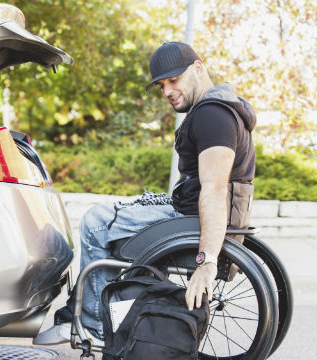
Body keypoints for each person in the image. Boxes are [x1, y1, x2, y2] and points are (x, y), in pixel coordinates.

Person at [34, 41, 256, 345]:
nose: (167, 92)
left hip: (191, 220)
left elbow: (215, 190)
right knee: (117, 214)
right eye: (162, 85)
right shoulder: (224, 108)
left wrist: (206, 262)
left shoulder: (212, 115)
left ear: (199, 68)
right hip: (193, 211)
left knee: (96, 222)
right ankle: (107, 309)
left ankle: (93, 324)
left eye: (174, 80)